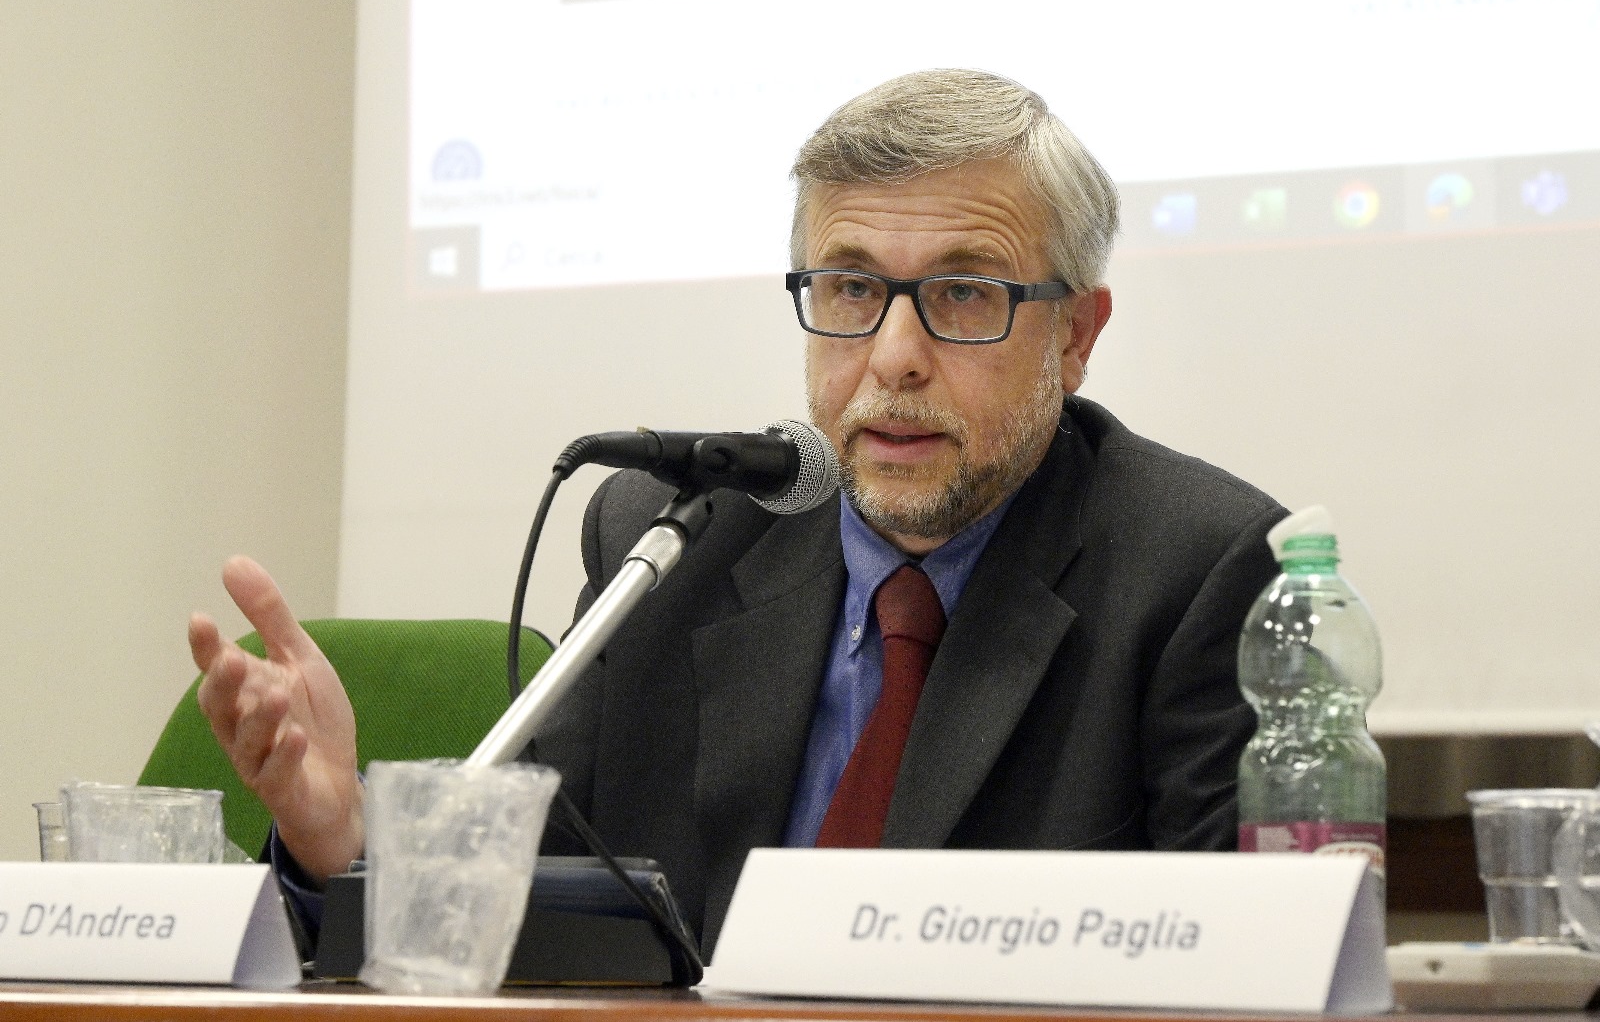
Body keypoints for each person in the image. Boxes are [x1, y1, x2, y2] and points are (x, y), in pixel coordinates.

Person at [188, 69, 1286, 956]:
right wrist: (346, 838)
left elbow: (1248, 968)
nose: (894, 357)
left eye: (964, 293)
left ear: (1075, 336)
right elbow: (532, 913)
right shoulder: (678, 538)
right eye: (852, 288)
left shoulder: (1197, 572)